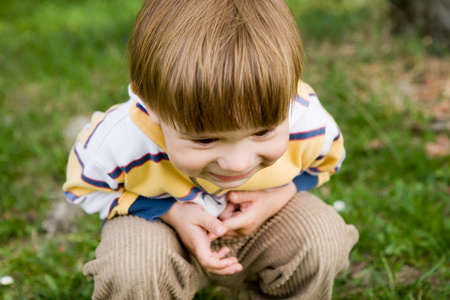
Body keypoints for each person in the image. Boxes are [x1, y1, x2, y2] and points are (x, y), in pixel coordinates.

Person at [63, 0, 359, 298]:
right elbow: (85, 188)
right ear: (150, 105)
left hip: (265, 226)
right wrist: (170, 212)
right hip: (160, 233)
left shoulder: (305, 118)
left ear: (291, 93)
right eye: (205, 140)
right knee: (134, 265)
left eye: (263, 132)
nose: (237, 163)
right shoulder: (120, 141)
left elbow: (325, 163)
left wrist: (273, 198)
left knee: (322, 237)